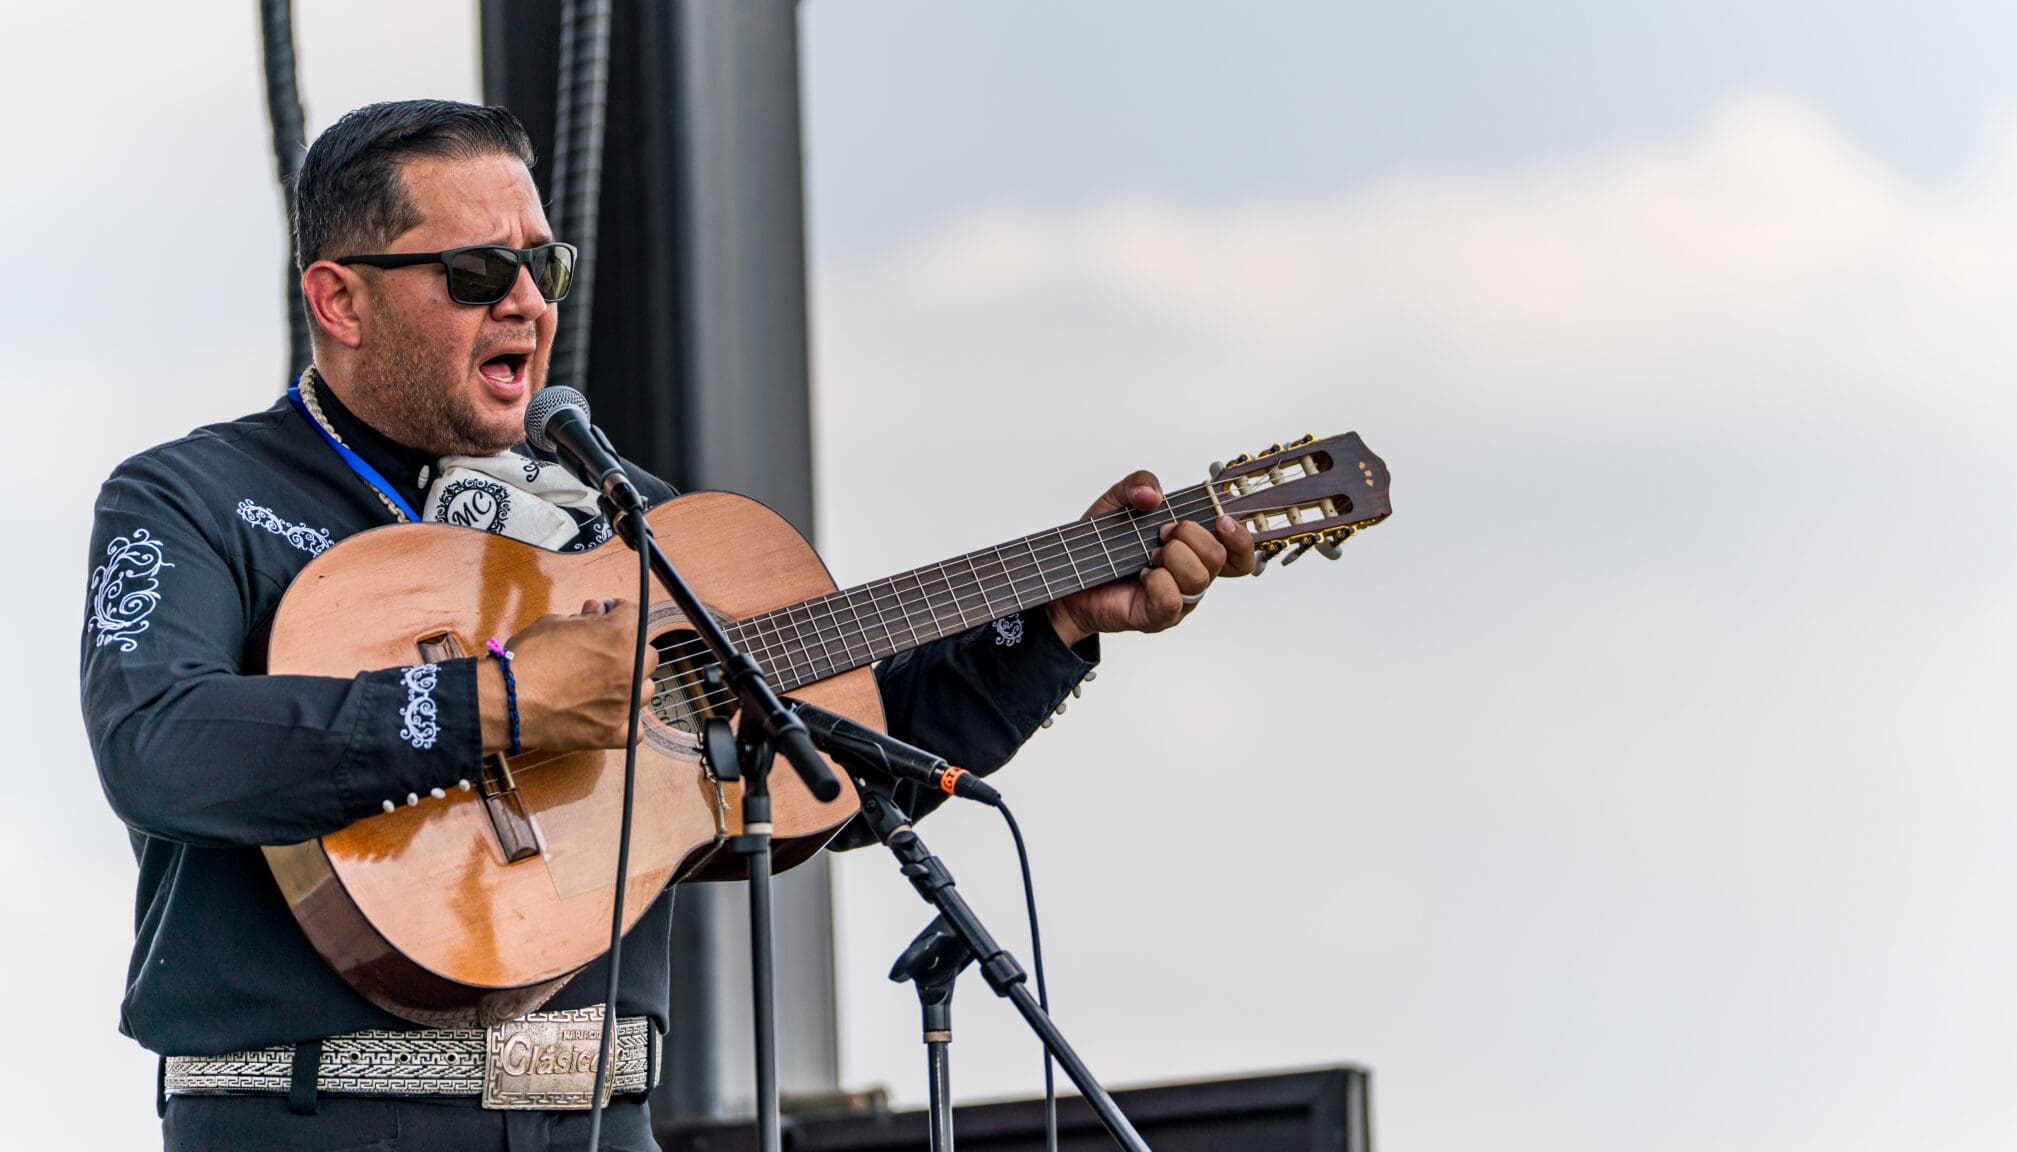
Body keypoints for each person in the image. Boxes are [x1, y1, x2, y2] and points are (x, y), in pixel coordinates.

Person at [80, 99, 1252, 1152]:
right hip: (312, 1124)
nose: (527, 302)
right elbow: (160, 743)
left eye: (544, 264)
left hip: (602, 1124)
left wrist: (1051, 628)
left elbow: (839, 754)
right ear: (338, 297)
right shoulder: (189, 496)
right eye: (479, 269)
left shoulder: (615, 519)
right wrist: (503, 702)